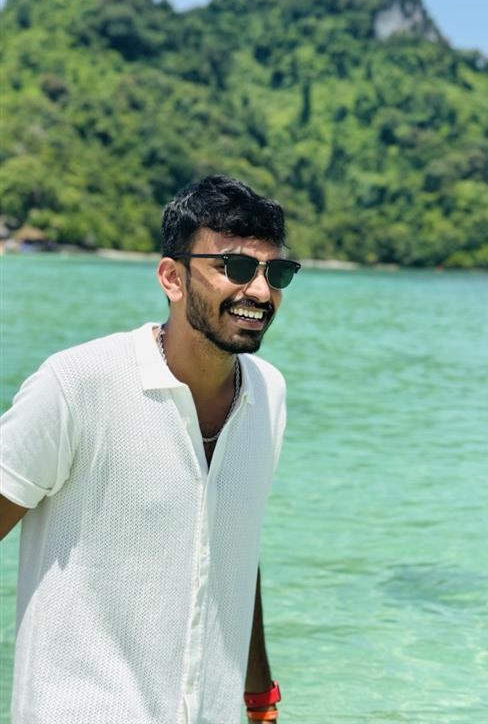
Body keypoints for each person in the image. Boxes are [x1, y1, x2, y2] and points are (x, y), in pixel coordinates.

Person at [0, 175, 301, 724]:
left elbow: (232, 547)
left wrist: (258, 698)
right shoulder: (76, 385)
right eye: (235, 268)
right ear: (172, 277)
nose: (260, 292)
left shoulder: (269, 394)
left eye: (275, 273)